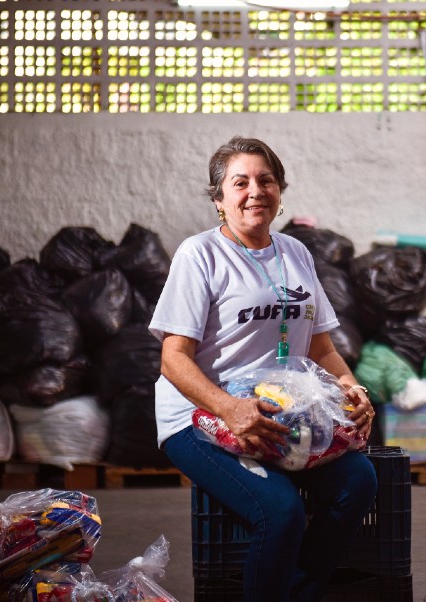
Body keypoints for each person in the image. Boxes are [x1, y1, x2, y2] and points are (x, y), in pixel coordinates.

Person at [148, 135, 378, 601]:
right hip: (201, 416)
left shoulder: (295, 253)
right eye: (240, 183)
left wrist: (352, 387)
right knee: (279, 510)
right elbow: (173, 359)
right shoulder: (200, 255)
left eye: (266, 180)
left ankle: (297, 592)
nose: (255, 191)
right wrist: (230, 409)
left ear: (280, 190)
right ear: (219, 199)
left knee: (359, 481)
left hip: (281, 415)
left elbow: (321, 347)